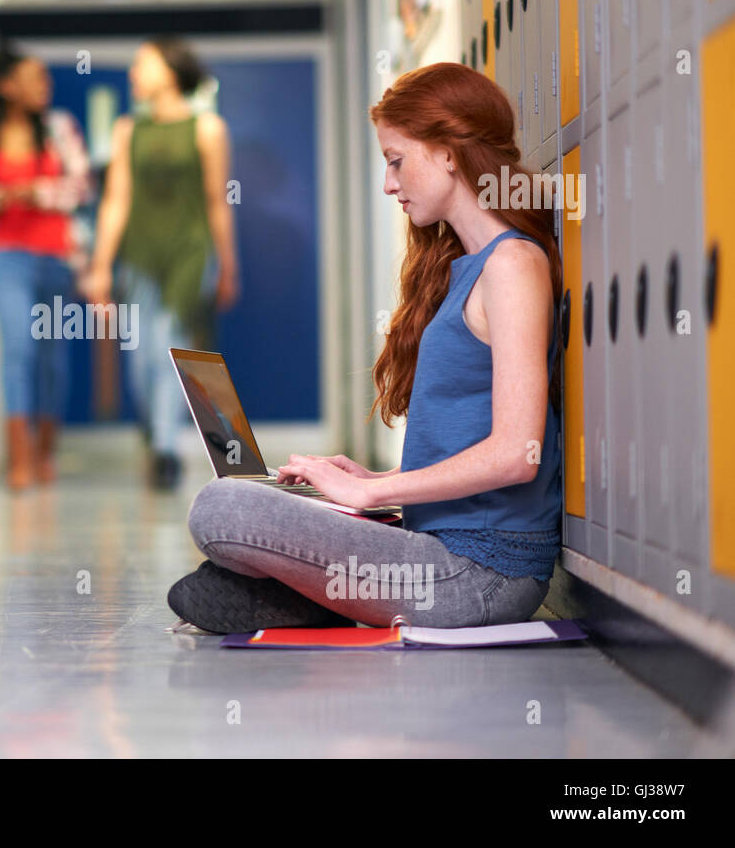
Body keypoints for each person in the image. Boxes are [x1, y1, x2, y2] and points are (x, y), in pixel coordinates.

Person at [167, 61, 564, 633]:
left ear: (448, 153)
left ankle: (307, 599)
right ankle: (310, 598)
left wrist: (367, 490)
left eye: (397, 160)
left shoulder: (513, 265)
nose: (389, 184)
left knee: (221, 508)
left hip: (481, 576)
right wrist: (374, 484)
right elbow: (468, 449)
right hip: (432, 545)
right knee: (237, 500)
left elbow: (515, 455)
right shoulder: (464, 269)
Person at [82, 36, 240, 491]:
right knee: (140, 356)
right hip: (142, 254)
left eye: (143, 64)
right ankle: (157, 428)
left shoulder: (208, 129)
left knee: (169, 345)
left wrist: (228, 265)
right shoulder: (128, 130)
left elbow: (217, 202)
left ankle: (167, 451)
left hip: (191, 251)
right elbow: (116, 200)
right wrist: (100, 266)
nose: (134, 72)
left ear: (171, 72)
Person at [0, 47, 92, 490]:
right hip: (5, 255)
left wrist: (39, 192)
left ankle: (45, 452)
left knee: (52, 359)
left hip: (56, 257)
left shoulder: (60, 130)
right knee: (19, 350)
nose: (44, 85)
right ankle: (19, 461)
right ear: (6, 86)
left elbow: (81, 188)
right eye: (34, 77)